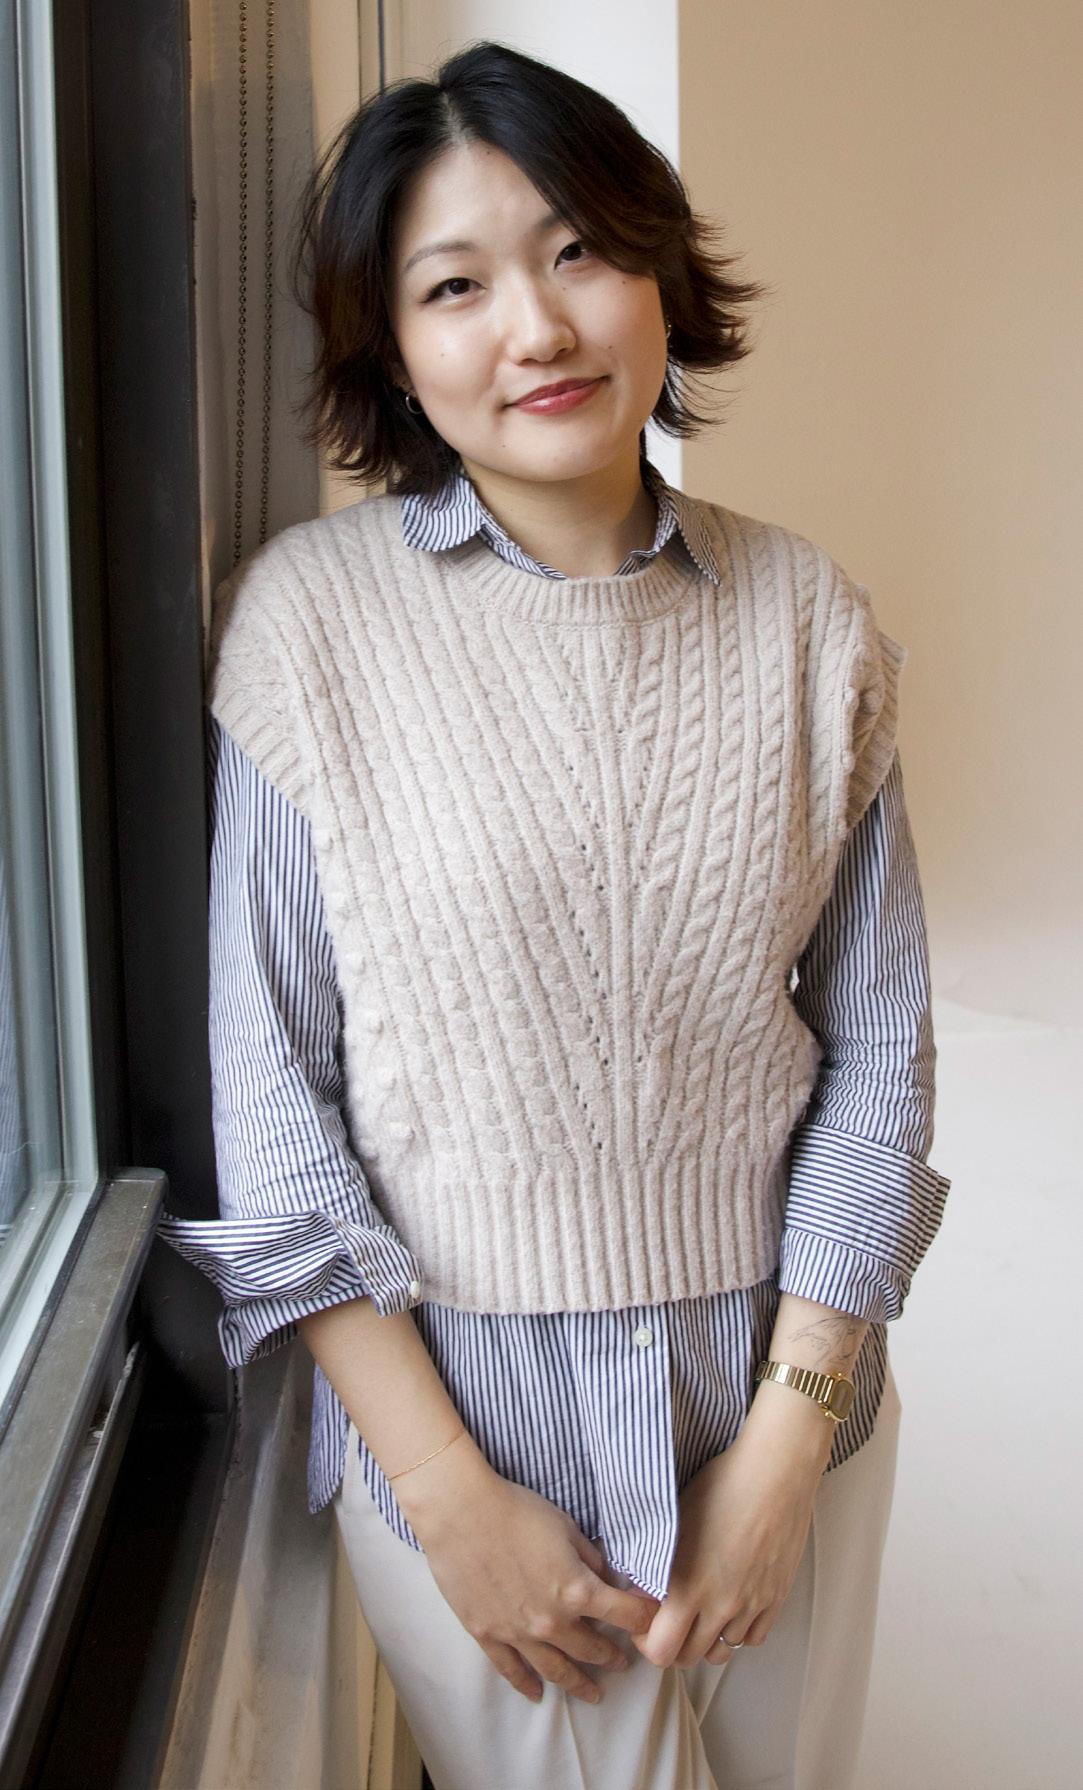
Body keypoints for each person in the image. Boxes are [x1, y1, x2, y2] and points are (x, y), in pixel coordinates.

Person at [158, 39, 952, 1790]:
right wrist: (446, 1491)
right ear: (391, 343)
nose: (538, 326)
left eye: (579, 249)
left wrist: (787, 1448)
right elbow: (274, 1102)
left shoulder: (809, 620)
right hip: (467, 1444)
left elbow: (878, 1059)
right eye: (457, 285)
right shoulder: (309, 628)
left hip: (785, 1413)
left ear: (658, 267)